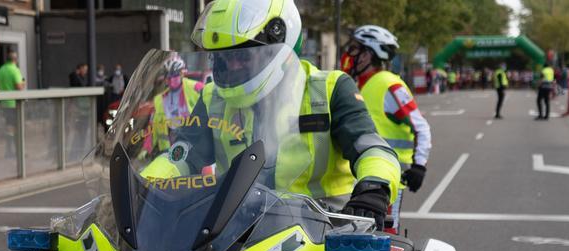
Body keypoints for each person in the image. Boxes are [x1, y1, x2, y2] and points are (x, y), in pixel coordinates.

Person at [142, 0, 401, 230]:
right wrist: (143, 187)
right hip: (237, 233)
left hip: (326, 232)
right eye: (222, 58)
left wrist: (374, 186)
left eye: (243, 55)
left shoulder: (329, 89)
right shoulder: (213, 98)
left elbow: (371, 147)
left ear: (280, 50)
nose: (231, 65)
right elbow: (181, 155)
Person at [341, 25, 431, 197]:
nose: (348, 55)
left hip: (386, 181)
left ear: (367, 55)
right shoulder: (359, 85)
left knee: (386, 225)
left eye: (353, 50)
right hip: (362, 178)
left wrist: (419, 167)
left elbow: (421, 127)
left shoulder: (390, 85)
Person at [151, 55, 200, 154]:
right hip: (170, 145)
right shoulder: (159, 99)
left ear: (181, 74)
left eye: (175, 75)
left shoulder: (195, 87)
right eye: (168, 76)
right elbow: (154, 125)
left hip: (194, 140)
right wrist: (146, 149)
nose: (171, 79)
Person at [0, 48, 25, 156]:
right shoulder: (14, 69)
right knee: (15, 128)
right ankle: (16, 152)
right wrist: (23, 82)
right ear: (15, 59)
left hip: (4, 103)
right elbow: (19, 86)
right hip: (14, 104)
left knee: (9, 127)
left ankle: (9, 150)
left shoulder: (1, 69)